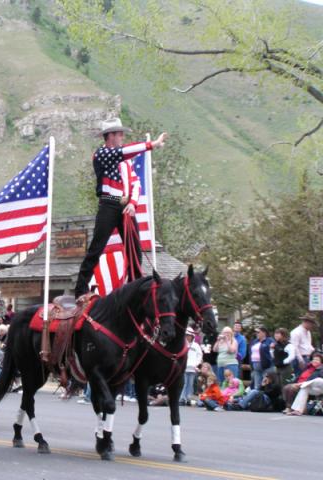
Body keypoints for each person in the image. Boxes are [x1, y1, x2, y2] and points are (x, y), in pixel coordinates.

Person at [74, 118, 167, 298]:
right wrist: (152, 144)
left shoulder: (126, 162)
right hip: (108, 204)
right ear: (109, 136)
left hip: (125, 206)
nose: (122, 136)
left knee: (134, 248)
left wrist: (133, 203)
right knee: (97, 248)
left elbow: (135, 182)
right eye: (118, 133)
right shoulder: (101, 154)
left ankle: (136, 287)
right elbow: (124, 151)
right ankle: (81, 288)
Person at [180, 327, 202, 406]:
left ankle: (189, 398)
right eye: (186, 335)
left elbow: (199, 355)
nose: (187, 337)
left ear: (192, 336)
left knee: (190, 384)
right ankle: (182, 398)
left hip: (192, 368)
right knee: (184, 383)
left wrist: (196, 364)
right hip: (184, 368)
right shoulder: (182, 344)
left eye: (189, 335)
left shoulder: (196, 345)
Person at [290, 313, 317, 377]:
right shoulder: (296, 332)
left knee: (306, 377)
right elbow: (295, 348)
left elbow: (308, 345)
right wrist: (301, 361)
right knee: (300, 377)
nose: (312, 326)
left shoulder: (308, 332)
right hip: (300, 358)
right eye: (312, 324)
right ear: (307, 322)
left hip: (308, 357)